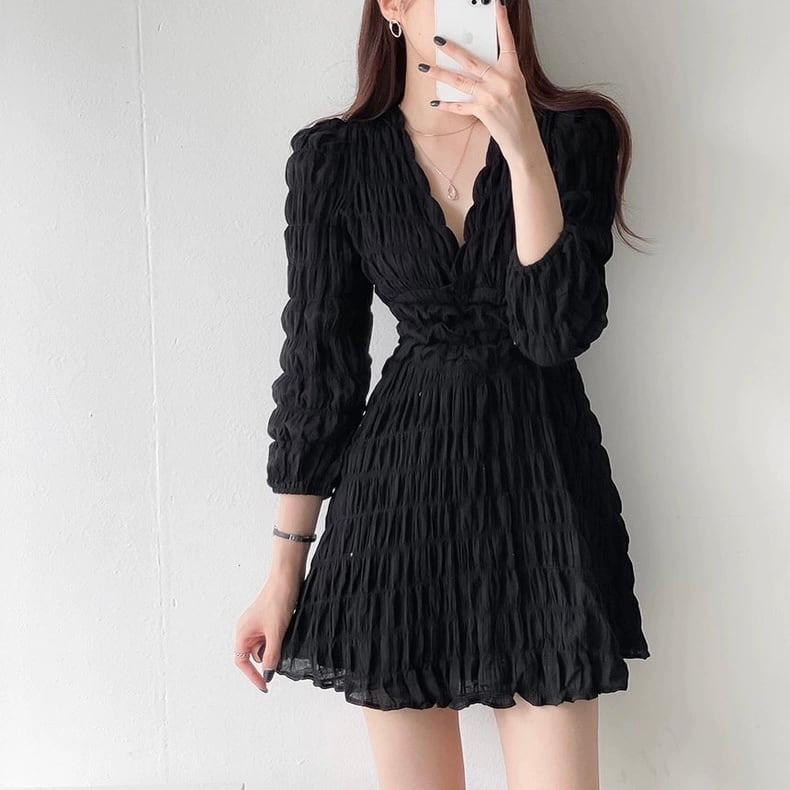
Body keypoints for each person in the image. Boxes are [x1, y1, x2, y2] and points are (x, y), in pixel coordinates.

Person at [236, 1, 650, 787]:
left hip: (544, 506)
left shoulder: (573, 136)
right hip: (398, 514)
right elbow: (319, 372)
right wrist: (284, 573)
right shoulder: (337, 160)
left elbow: (552, 331)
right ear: (392, 5)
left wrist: (522, 144)